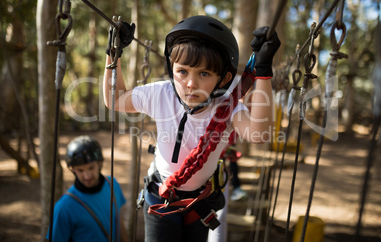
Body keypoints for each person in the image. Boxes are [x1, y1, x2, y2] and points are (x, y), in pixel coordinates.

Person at [103, 15, 280, 242]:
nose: (190, 84)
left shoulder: (227, 108)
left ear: (224, 78)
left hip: (199, 203)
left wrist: (263, 71)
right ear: (171, 68)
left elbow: (259, 134)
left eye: (204, 74)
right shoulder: (161, 94)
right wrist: (113, 54)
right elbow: (114, 99)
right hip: (160, 195)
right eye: (182, 71)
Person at [47, 136, 128, 242]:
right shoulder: (64, 207)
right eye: (80, 170)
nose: (87, 176)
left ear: (99, 163)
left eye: (91, 168)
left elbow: (119, 222)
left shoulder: (112, 185)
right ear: (72, 169)